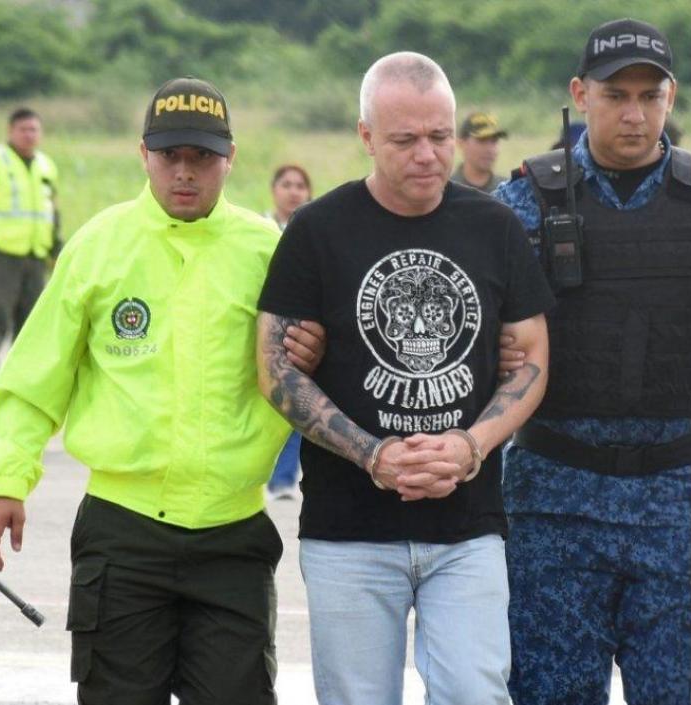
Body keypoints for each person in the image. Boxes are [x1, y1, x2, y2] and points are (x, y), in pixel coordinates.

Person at [0, 77, 291, 704]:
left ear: (229, 158)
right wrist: (9, 478)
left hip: (232, 534)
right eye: (169, 155)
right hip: (123, 535)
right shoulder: (98, 245)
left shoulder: (268, 252)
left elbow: (309, 375)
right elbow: (37, 375)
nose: (184, 173)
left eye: (201, 157)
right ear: (142, 154)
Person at [256, 52, 555, 705]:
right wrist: (375, 454)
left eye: (440, 136)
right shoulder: (316, 232)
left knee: (475, 692)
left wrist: (471, 446)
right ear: (366, 136)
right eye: (405, 139)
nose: (428, 154)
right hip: (349, 530)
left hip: (468, 526)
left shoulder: (494, 226)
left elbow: (533, 359)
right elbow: (274, 368)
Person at [494, 18, 691, 704]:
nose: (633, 113)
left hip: (679, 509)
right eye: (615, 95)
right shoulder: (520, 201)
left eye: (650, 94)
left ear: (672, 99)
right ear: (581, 94)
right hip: (554, 507)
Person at [0, 107, 61, 407]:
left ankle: (23, 387)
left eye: (34, 130)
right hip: (2, 256)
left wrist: (55, 248)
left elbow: (52, 211)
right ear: (10, 131)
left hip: (35, 256)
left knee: (31, 326)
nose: (30, 135)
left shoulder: (46, 166)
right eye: (24, 130)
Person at [264, 163, 314, 500]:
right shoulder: (259, 228)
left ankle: (283, 479)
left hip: (301, 332)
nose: (294, 191)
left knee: (299, 401)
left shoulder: (315, 230)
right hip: (265, 330)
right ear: (274, 190)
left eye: (300, 185)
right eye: (287, 184)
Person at [450, 112, 508, 193]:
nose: (489, 149)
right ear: (461, 143)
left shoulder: (507, 192)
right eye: (482, 140)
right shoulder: (446, 190)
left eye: (494, 141)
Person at [267, 163, 312, 231]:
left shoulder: (315, 228)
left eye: (300, 186)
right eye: (286, 185)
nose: (294, 193)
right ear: (273, 189)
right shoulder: (261, 224)